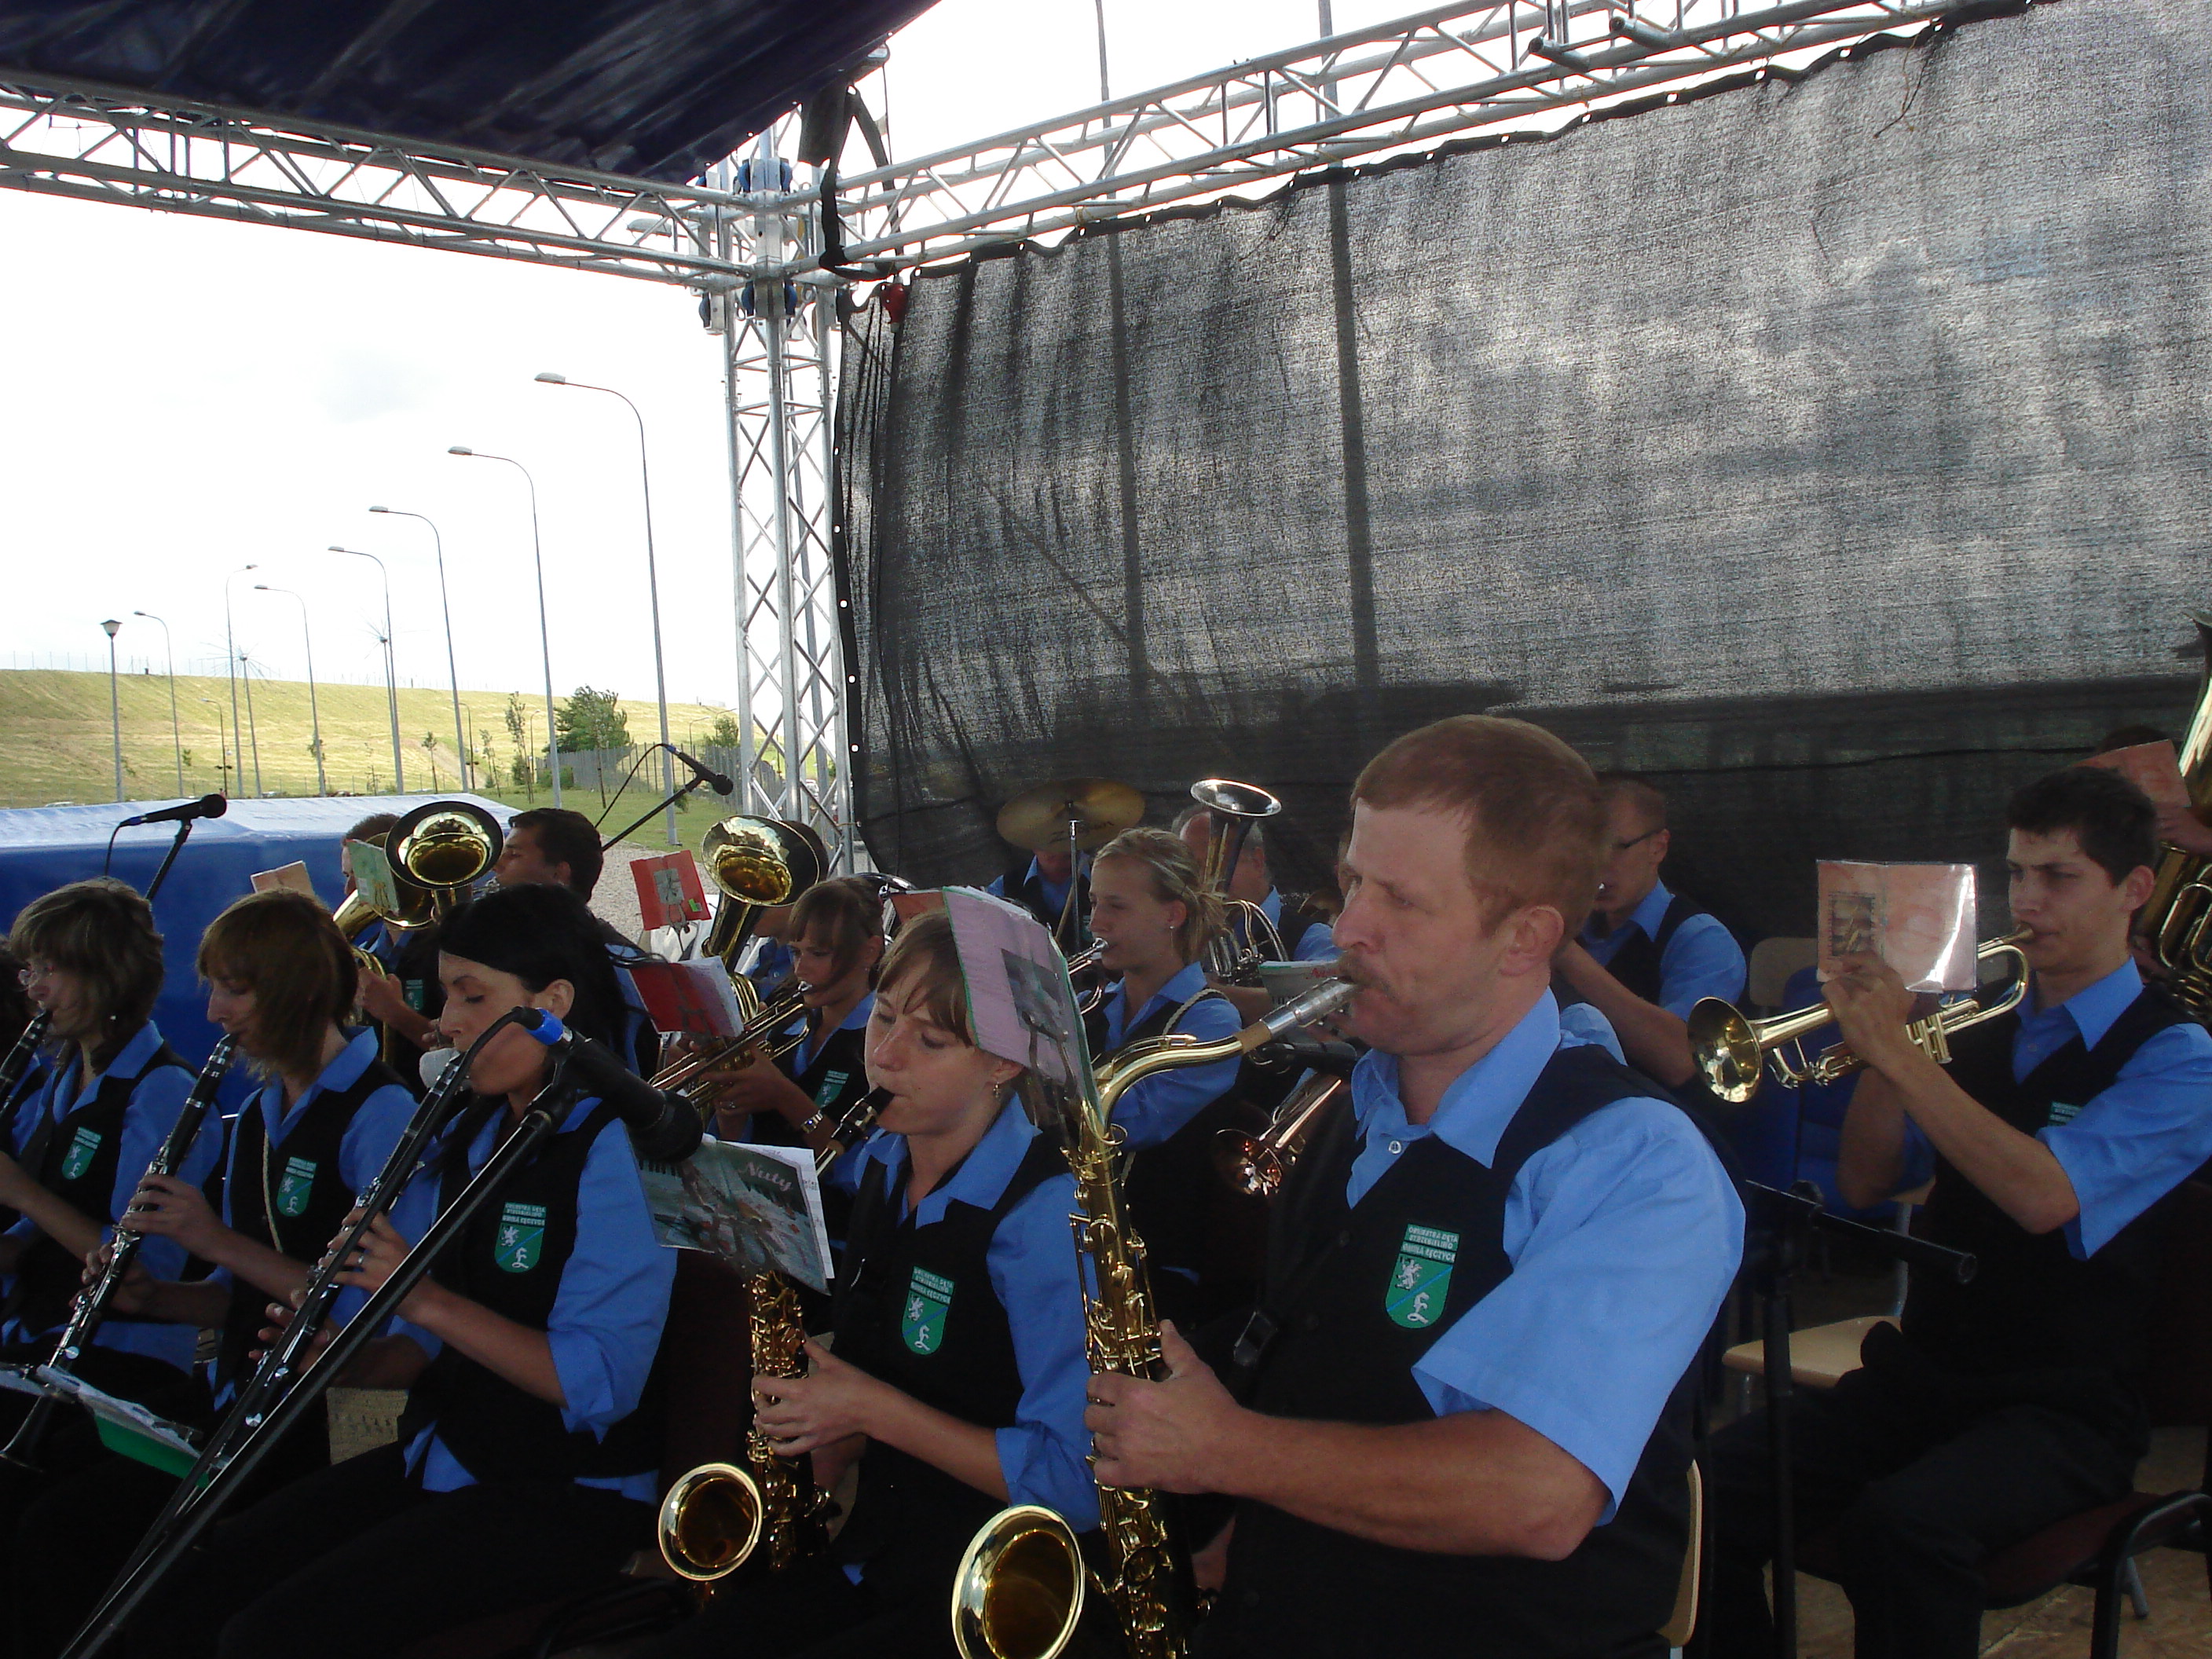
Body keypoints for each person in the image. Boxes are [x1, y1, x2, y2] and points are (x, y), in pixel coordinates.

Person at [1086, 716, 1742, 1659]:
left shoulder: (1636, 1164)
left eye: (1399, 899)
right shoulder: (1352, 1104)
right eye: (1353, 879)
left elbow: (1534, 1494)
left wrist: (1220, 1449)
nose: (1347, 927)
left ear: (1524, 939)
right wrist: (1237, 1533)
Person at [1705, 765, 2212, 1659]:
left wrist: (1900, 1059)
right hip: (1927, 1373)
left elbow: (2041, 1196)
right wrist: (1874, 1049)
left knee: (1902, 1534)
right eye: (2017, 874)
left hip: (2063, 1409)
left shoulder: (2177, 1059)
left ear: (2133, 890)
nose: (2029, 900)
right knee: (1703, 1488)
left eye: (2059, 877)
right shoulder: (1977, 1024)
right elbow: (1866, 1182)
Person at [124, 881, 675, 1659]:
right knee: (194, 1571)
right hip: (452, 1455)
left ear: (553, 1001)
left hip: (565, 1493)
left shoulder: (619, 1148)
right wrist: (348, 1360)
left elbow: (596, 1382)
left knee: (269, 1636)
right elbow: (429, 1350)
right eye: (447, 994)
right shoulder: (483, 1127)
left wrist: (415, 1297)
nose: (446, 1022)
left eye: (471, 996)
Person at [630, 907, 1097, 1658]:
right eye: (882, 1018)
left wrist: (868, 1411)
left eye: (931, 1040)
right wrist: (828, 1438)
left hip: (988, 1596)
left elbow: (1073, 1484)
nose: (885, 1057)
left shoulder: (1043, 1218)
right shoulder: (882, 1161)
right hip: (878, 1549)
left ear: (1004, 1064)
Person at [9, 889, 423, 1659]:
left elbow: (379, 1315)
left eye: (233, 989)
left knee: (68, 1533)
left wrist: (210, 1238)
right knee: (39, 1486)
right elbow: (235, 1300)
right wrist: (153, 1297)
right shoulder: (265, 1109)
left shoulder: (381, 1113)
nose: (212, 1013)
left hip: (331, 1423)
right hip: (236, 1395)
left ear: (295, 991)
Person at [0, 881, 212, 1430]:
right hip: (38, 1331)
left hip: (118, 1356)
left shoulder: (162, 1090)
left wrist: (22, 1194)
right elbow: (35, 1228)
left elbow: (134, 1265)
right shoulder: (67, 1073)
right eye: (30, 972)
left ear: (105, 974)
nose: (35, 991)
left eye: (50, 971)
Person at [1084, 827, 1244, 1323]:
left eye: (1116, 907)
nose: (1096, 922)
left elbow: (1129, 1123)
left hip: (1158, 1265)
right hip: (1079, 1247)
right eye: (1093, 903)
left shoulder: (1210, 1019)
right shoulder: (1092, 1006)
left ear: (1172, 915)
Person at [1551, 775, 1746, 1090]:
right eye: (1585, 849)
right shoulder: (1579, 923)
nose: (1598, 866)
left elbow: (1681, 1059)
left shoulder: (1704, 941)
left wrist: (1566, 954)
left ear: (1658, 847)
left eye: (1616, 847)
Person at [701, 877, 884, 1163]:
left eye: (819, 954)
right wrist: (729, 1097)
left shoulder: (885, 1038)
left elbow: (860, 1170)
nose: (801, 969)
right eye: (796, 952)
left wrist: (785, 1097)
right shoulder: (784, 1019)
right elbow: (738, 1145)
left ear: (869, 952)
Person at [494, 806, 659, 1073]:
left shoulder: (620, 962)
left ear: (559, 874)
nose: (497, 865)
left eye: (513, 855)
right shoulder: (514, 945)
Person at [987, 836, 1089, 950]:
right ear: (1032, 843)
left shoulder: (1106, 874)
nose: (1057, 847)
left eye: (1062, 836)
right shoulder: (1005, 886)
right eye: (1049, 837)